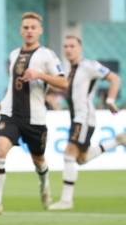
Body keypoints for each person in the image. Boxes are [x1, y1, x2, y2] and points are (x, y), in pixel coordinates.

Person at [0, 12, 68, 222]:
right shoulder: (13, 55)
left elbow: (64, 83)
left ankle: (44, 183)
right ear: (21, 30)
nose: (29, 31)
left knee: (38, 160)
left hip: (35, 118)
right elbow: (13, 85)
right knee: (0, 150)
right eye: (26, 27)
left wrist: (39, 75)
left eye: (33, 27)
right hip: (10, 114)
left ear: (40, 31)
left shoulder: (47, 55)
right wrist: (3, 101)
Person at [49, 36, 125, 210]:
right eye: (66, 46)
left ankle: (66, 201)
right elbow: (68, 90)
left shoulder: (89, 66)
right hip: (76, 118)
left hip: (84, 118)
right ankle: (116, 141)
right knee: (81, 159)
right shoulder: (70, 70)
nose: (68, 49)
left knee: (69, 153)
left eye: (72, 46)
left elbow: (115, 78)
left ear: (80, 48)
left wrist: (111, 99)